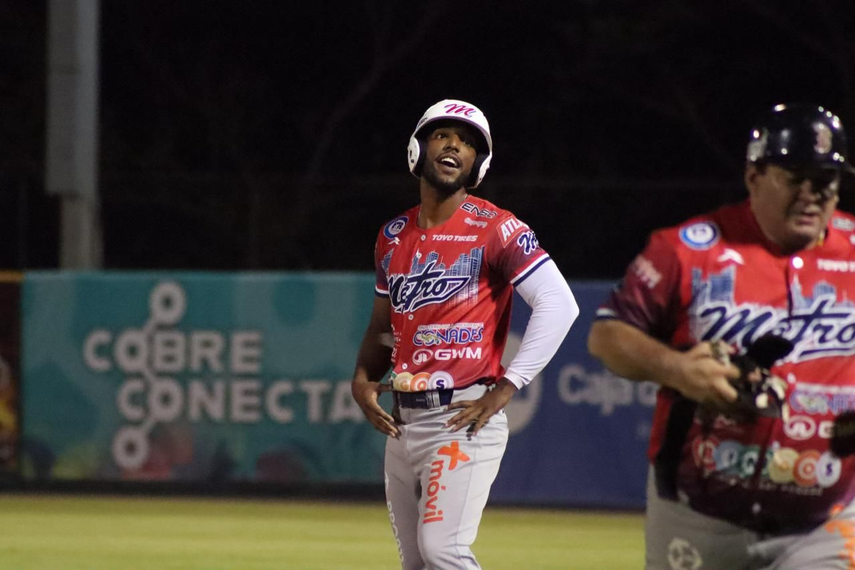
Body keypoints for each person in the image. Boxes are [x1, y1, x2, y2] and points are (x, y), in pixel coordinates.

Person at [588, 103, 855, 569]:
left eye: (826, 181)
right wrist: (677, 369)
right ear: (754, 174)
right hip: (697, 516)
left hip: (822, 525)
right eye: (795, 177)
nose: (812, 194)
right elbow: (608, 335)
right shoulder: (688, 248)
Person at [351, 99, 579, 569]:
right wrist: (361, 379)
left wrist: (506, 388)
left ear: (480, 163)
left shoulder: (497, 228)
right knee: (417, 563)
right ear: (418, 148)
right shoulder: (392, 235)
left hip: (460, 417)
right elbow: (382, 327)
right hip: (402, 422)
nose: (456, 145)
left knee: (443, 550)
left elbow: (560, 304)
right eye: (443, 135)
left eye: (470, 142)